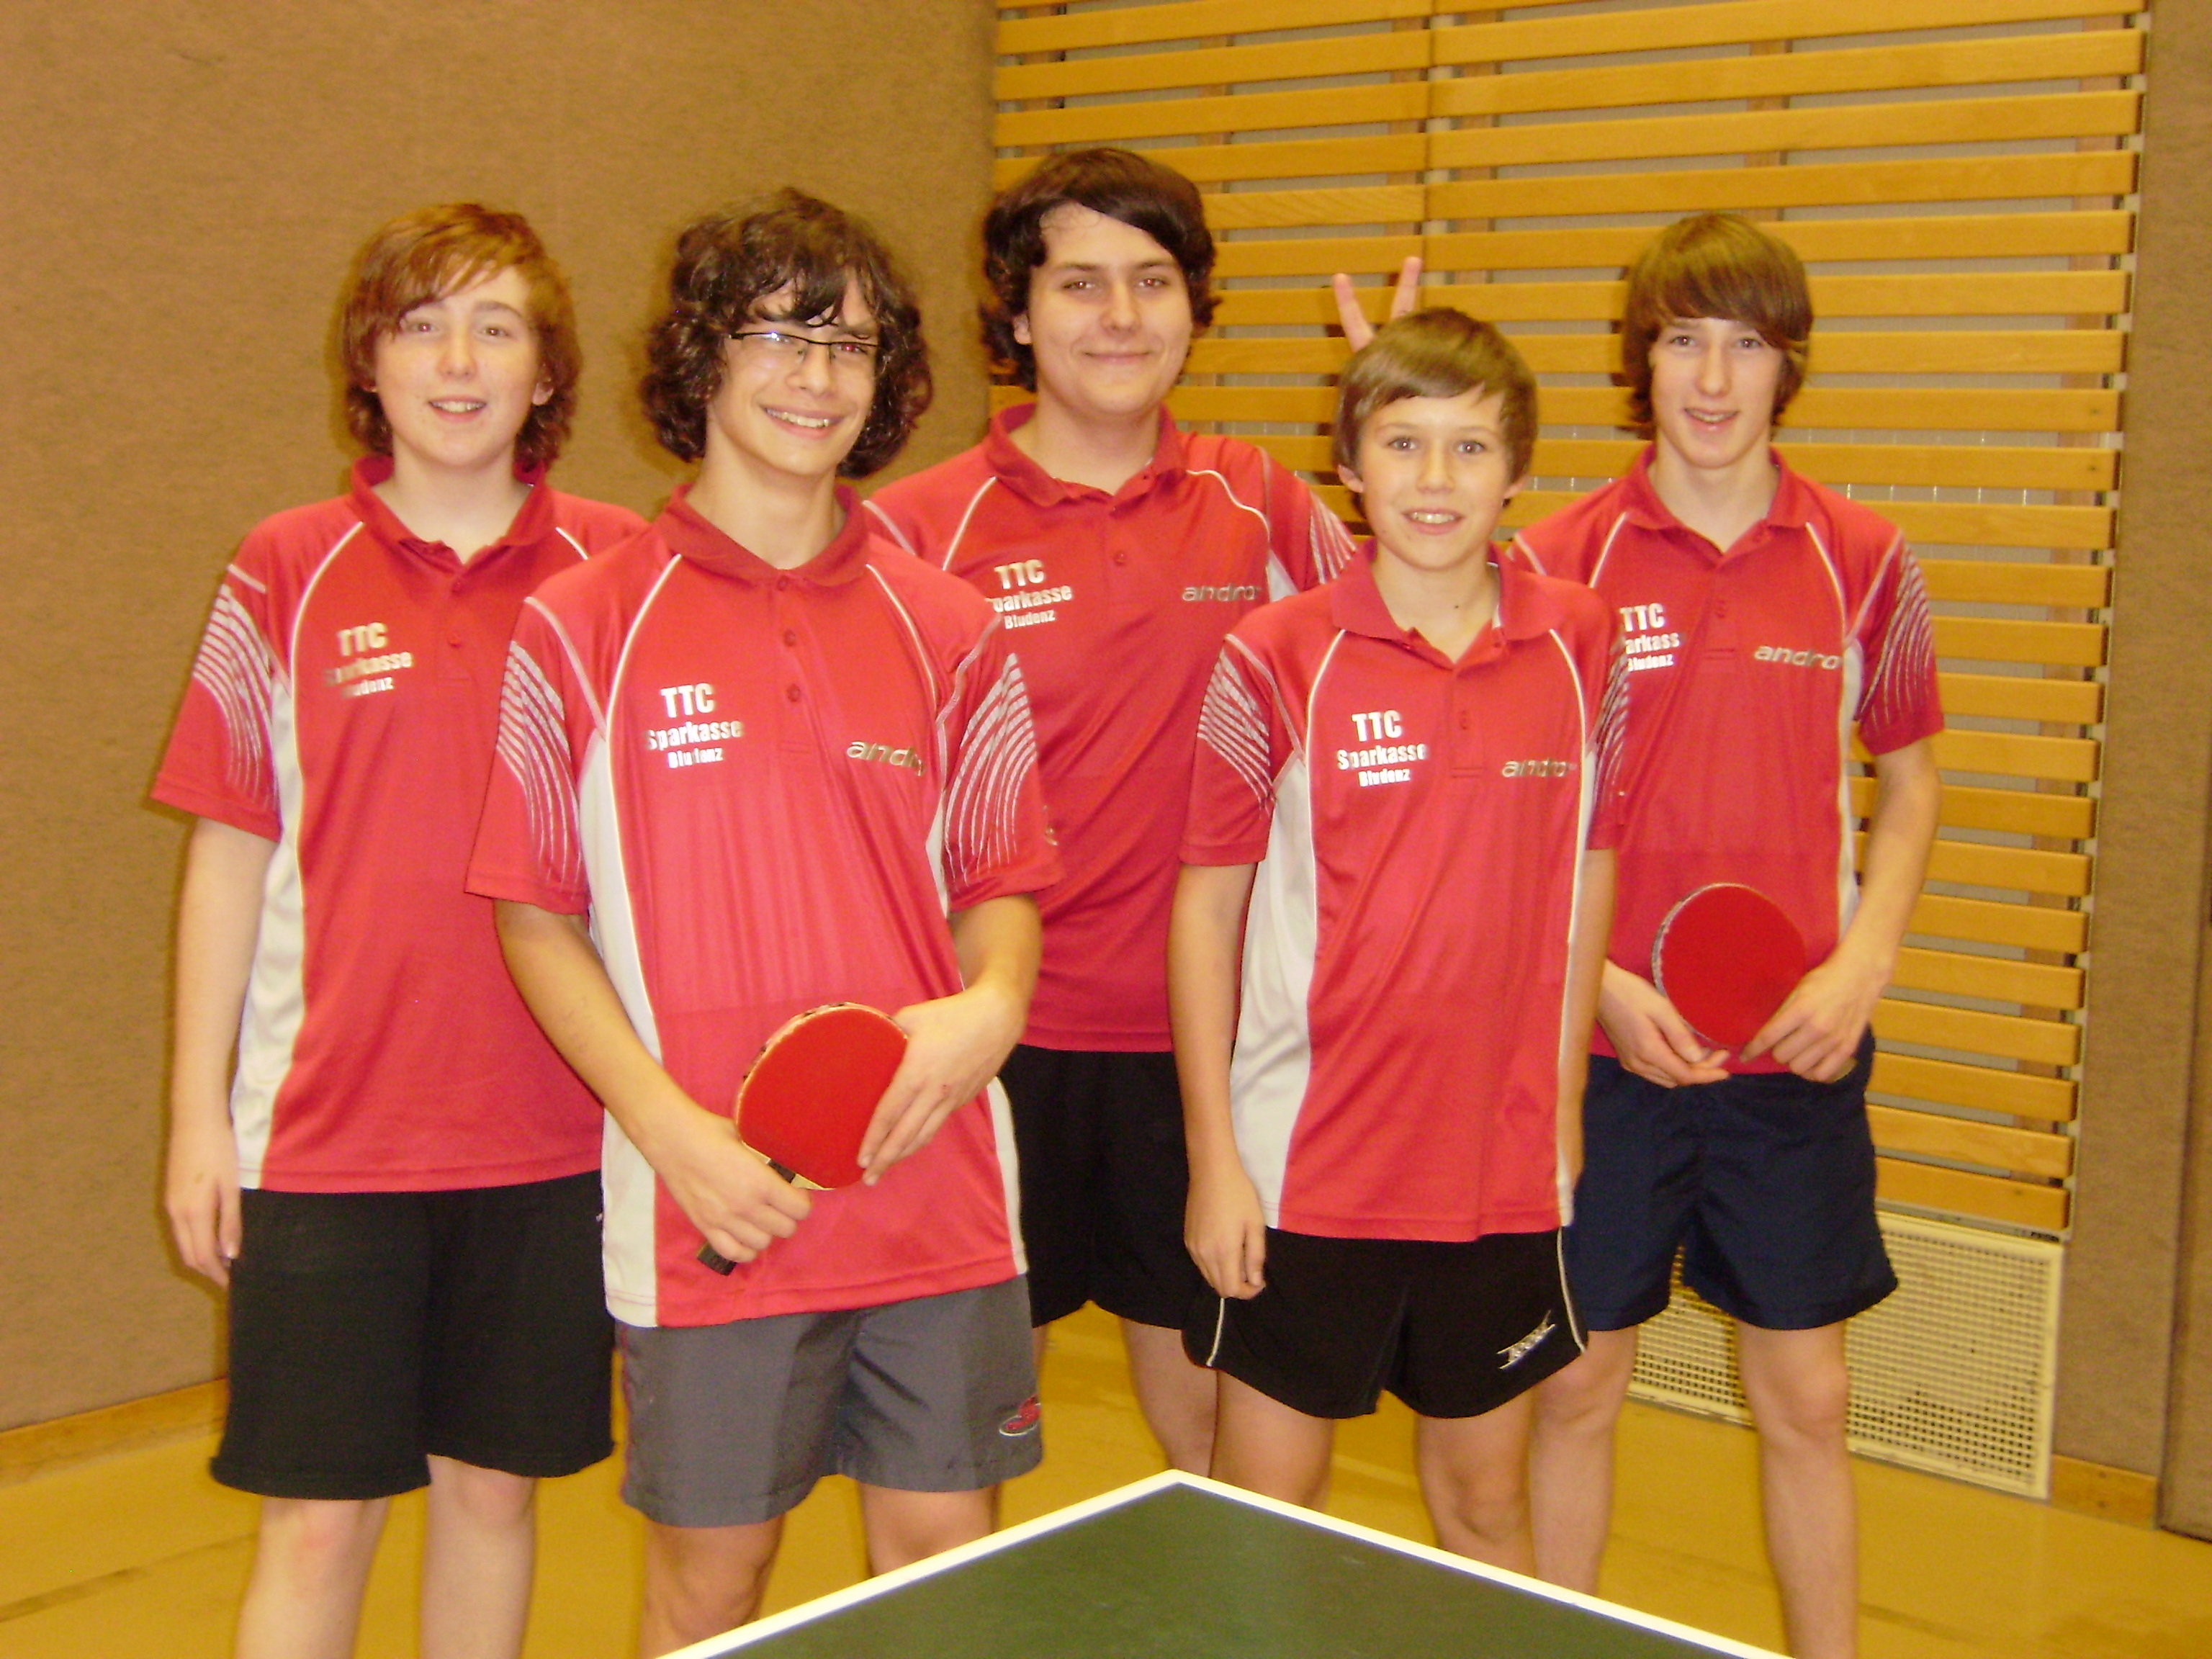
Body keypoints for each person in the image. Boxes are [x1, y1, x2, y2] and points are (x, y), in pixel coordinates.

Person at [469, 191, 1061, 1658]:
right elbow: (536, 914)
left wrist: (992, 1009)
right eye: (780, 337)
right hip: (715, 1205)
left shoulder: (952, 626)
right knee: (710, 1590)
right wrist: (671, 1135)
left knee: (946, 1580)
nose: (817, 377)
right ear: (703, 358)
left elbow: (1000, 883)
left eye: (850, 347)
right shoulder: (582, 625)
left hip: (936, 1193)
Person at [156, 204, 644, 1659]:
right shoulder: (282, 567)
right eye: (422, 326)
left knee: (493, 1495)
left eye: (497, 328)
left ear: (547, 372)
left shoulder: (618, 568)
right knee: (316, 1524)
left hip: (554, 1141)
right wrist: (197, 1121)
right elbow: (228, 853)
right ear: (367, 362)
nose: (459, 361)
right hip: (327, 1142)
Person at [865, 148, 1359, 1473]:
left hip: (1207, 1050)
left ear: (1194, 306)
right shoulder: (916, 533)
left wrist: (1402, 416)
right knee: (958, 1448)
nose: (1121, 316)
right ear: (1020, 315)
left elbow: (1426, 642)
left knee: (1216, 1438)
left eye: (1152, 280)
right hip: (992, 1044)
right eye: (1080, 284)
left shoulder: (1259, 502)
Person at [1514, 214, 1943, 1659]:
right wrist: (1601, 988)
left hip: (1792, 1049)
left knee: (1809, 1400)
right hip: (1606, 1055)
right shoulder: (1557, 562)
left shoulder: (1862, 558)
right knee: (1578, 1386)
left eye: (1745, 345)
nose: (1712, 379)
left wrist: (1863, 963)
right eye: (1684, 342)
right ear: (1640, 361)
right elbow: (1515, 816)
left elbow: (1913, 779)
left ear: (1787, 364)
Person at [1169, 310, 1622, 1572]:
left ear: (1519, 470)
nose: (1436, 479)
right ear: (1349, 466)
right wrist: (1214, 1159)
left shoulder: (1582, 642)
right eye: (1403, 443)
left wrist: (1566, 1098)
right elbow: (1206, 907)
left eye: (1471, 448)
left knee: (1485, 1504)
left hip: (1497, 1159)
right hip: (1304, 1162)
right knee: (1262, 1515)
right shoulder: (1274, 653)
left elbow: (1590, 865)